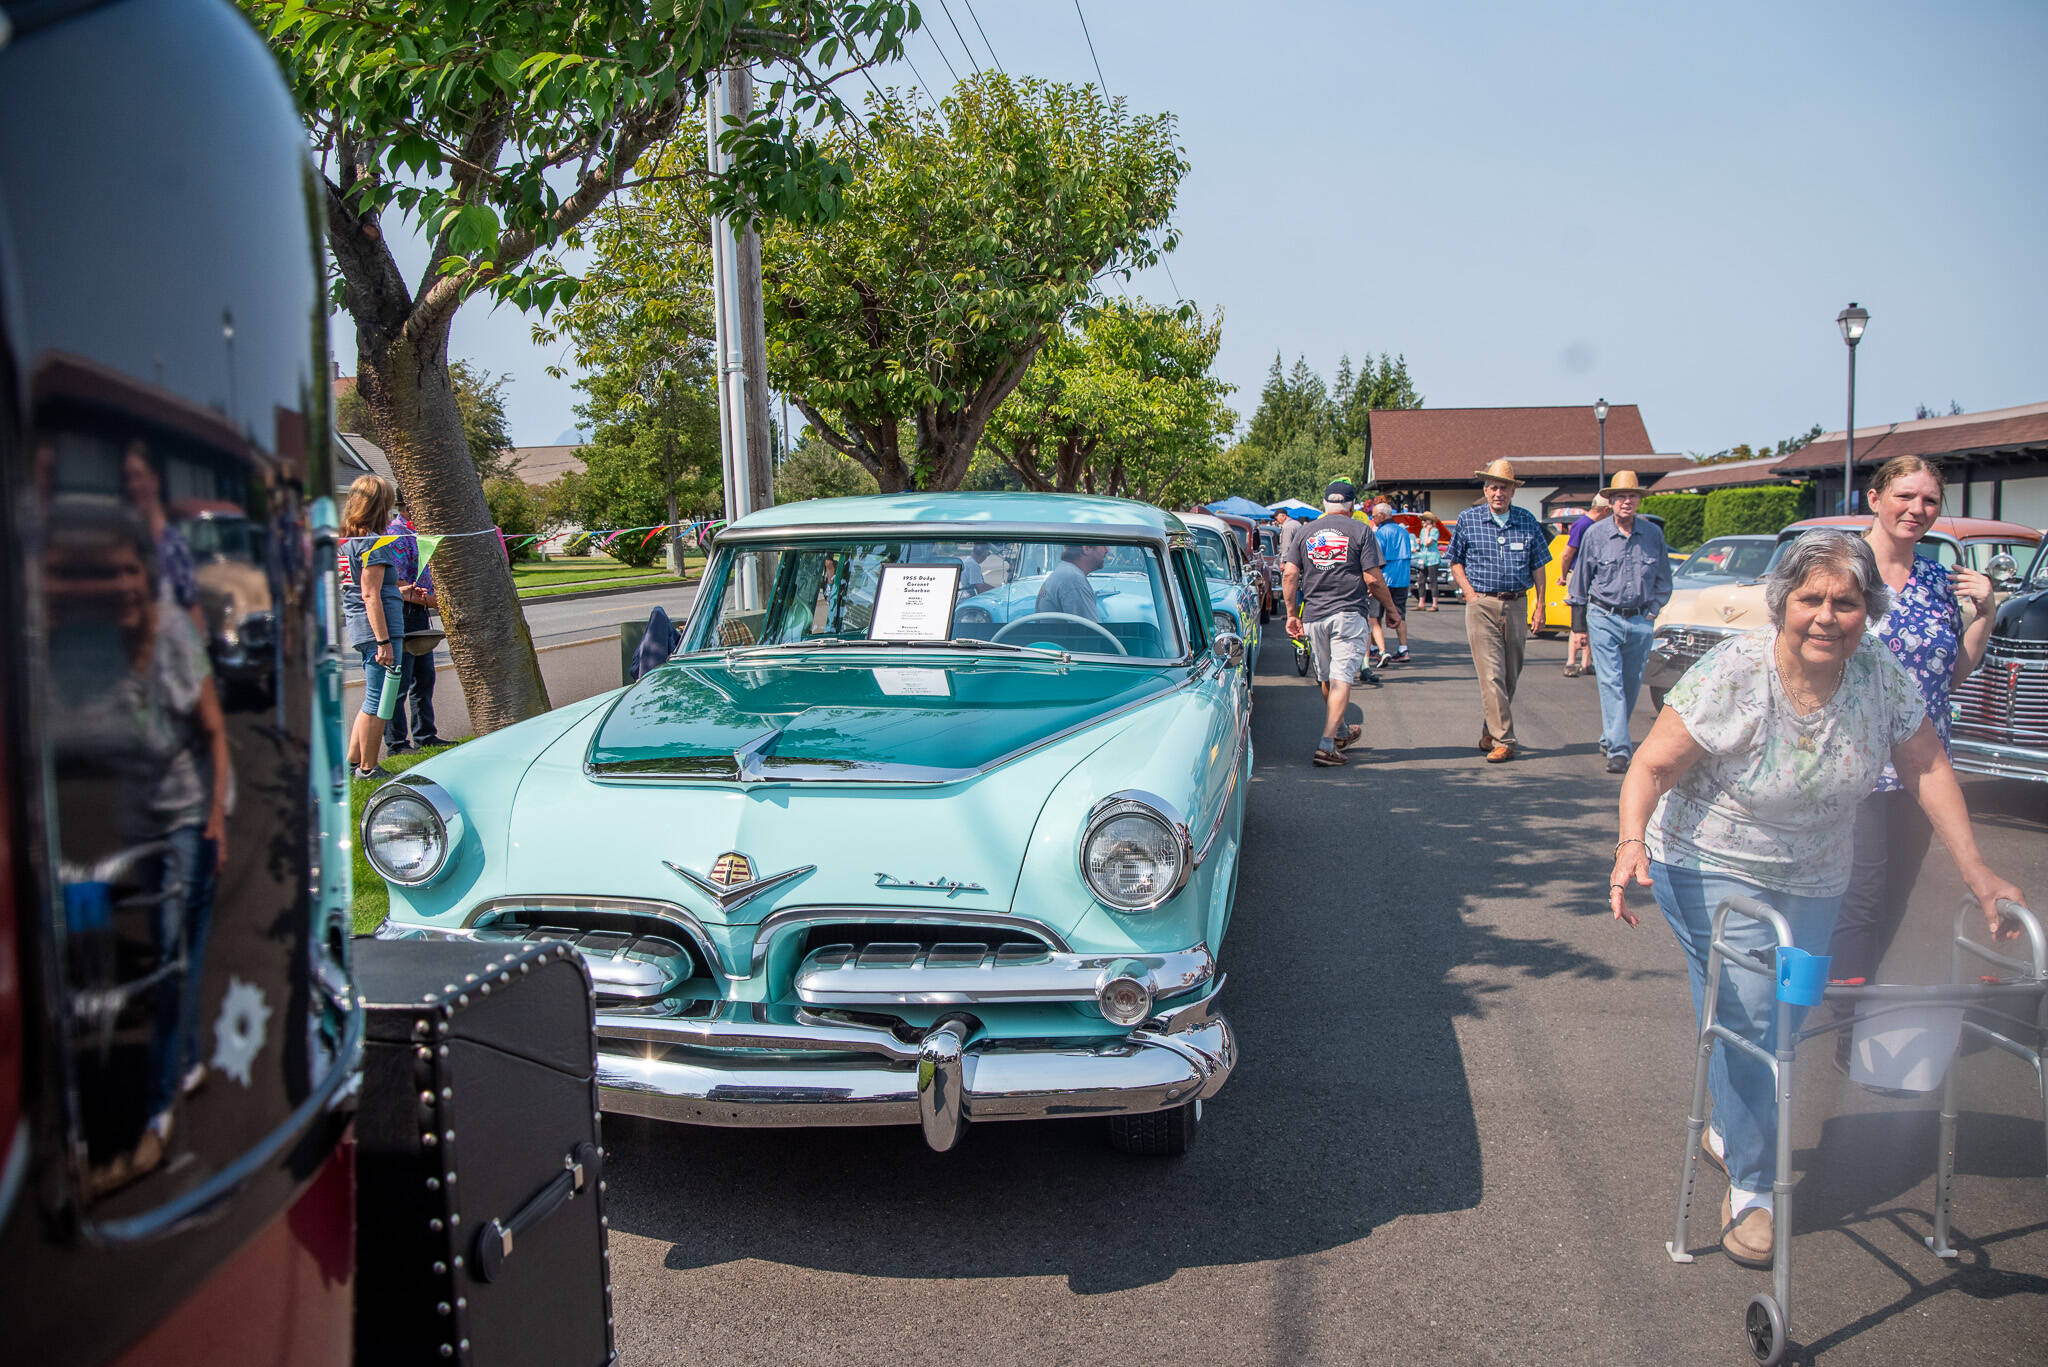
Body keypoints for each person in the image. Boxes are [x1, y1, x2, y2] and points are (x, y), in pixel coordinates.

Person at [1608, 531, 2027, 1271]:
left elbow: (1927, 765)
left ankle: (1732, 1124)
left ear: (1869, 610)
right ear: (1783, 603)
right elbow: (1651, 763)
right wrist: (1630, 841)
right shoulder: (1736, 670)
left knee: (1785, 1015)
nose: (1827, 615)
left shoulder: (1880, 677)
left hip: (1815, 872)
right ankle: (1755, 1191)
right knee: (1750, 1014)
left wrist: (1979, 871)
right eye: (1812, 598)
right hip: (1708, 862)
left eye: (1847, 600)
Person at [1826, 455, 1999, 1053]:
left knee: (1893, 895)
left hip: (1924, 769)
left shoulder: (1935, 581)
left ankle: (1852, 1009)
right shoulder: (1840, 569)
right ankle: (1842, 1025)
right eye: (1905, 496)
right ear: (1875, 498)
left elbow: (1950, 673)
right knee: (1862, 894)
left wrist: (1986, 615)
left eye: (1929, 500)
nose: (1917, 510)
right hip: (1854, 763)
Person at [1283, 480, 1402, 767]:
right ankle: (1326, 745)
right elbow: (1373, 579)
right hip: (1348, 613)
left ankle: (1342, 731)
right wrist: (1392, 609)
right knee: (1341, 678)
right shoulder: (1361, 530)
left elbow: (1289, 574)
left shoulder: (1305, 531)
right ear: (1351, 507)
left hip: (1313, 616)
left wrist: (1290, 614)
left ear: (1325, 505)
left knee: (1326, 678)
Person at [1446, 459, 1550, 762]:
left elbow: (1539, 566)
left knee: (1509, 675)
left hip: (1517, 602)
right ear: (1485, 489)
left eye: (1504, 487)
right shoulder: (1469, 519)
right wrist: (1469, 593)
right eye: (1493, 487)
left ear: (1512, 491)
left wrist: (1540, 605)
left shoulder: (1527, 521)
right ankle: (1505, 740)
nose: (1498, 493)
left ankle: (1490, 729)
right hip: (1482, 604)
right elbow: (1455, 560)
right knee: (1491, 673)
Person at [1569, 473, 1672, 772]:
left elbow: (1664, 579)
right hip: (1603, 616)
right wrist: (1578, 626)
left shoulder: (1653, 535)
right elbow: (1580, 581)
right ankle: (1620, 749)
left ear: (1639, 500)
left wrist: (1652, 610)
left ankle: (1610, 736)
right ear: (1610, 501)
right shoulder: (1596, 535)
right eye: (1620, 497)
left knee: (1629, 684)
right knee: (1611, 682)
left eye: (1632, 496)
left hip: (1640, 619)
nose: (1627, 502)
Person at [337, 475, 404, 779]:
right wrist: (384, 641)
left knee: (372, 698)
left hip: (362, 628)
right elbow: (369, 593)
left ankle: (352, 762)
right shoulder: (374, 543)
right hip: (377, 630)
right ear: (379, 506)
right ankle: (368, 767)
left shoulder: (349, 542)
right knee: (380, 700)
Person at [1558, 495, 1612, 677]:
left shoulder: (1598, 526)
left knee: (1592, 619)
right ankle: (1571, 661)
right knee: (1578, 619)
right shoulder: (1582, 524)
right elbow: (1567, 553)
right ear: (1605, 509)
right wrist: (1563, 575)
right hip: (1578, 574)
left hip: (1595, 576)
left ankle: (1586, 663)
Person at [1370, 502, 1413, 664]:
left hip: (1384, 579)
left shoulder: (1381, 533)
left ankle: (1376, 649)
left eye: (1374, 516)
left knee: (1374, 615)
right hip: (1402, 578)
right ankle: (1403, 648)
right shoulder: (1403, 532)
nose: (1373, 520)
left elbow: (1376, 559)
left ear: (1382, 515)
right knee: (1400, 614)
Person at [1036, 543, 1105, 620]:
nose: (1107, 551)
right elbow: (1089, 630)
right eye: (1104, 545)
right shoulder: (1073, 580)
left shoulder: (1065, 572)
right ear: (1087, 548)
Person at [1415, 515, 1442, 610]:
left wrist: (1427, 531)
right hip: (1424, 559)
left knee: (1433, 581)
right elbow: (1422, 545)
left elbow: (1427, 543)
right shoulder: (1422, 531)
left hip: (1432, 559)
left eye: (1425, 520)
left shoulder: (1434, 531)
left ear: (1430, 521)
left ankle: (1435, 604)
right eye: (1422, 520)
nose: (1423, 522)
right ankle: (1421, 604)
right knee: (1421, 581)